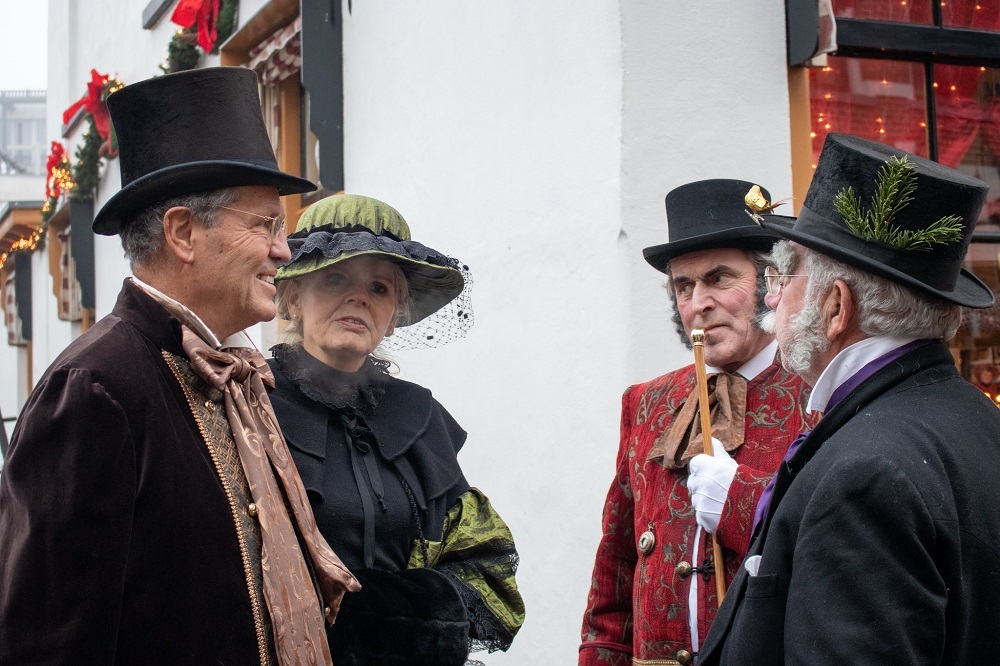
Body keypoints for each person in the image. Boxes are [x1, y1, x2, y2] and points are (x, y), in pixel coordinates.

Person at [0, 68, 360, 664]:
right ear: (183, 232)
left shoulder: (238, 375)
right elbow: (46, 642)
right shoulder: (95, 388)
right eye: (264, 224)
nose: (283, 248)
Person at [699, 133, 1000, 663]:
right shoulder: (978, 416)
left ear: (836, 308)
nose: (772, 297)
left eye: (786, 278)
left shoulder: (864, 476)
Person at [267, 193, 524, 665]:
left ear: (394, 315)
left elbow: (486, 569)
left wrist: (405, 617)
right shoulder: (250, 406)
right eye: (336, 277)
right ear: (292, 296)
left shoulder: (419, 418)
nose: (359, 298)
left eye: (380, 288)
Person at [579, 179, 816, 665]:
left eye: (719, 278)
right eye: (684, 286)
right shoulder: (645, 402)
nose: (698, 303)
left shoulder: (817, 396)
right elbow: (617, 568)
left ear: (771, 284)